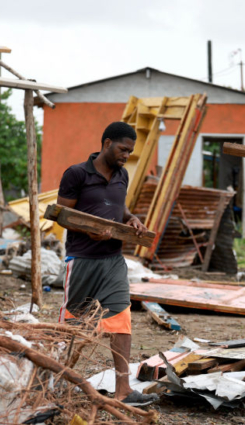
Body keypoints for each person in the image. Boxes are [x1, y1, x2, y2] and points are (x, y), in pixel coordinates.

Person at [57, 121, 158, 406]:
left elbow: (119, 206)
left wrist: (131, 218)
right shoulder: (77, 174)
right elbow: (61, 215)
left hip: (113, 260)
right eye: (123, 149)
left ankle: (123, 389)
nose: (127, 155)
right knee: (75, 326)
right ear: (106, 143)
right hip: (83, 259)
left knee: (122, 321)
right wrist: (87, 231)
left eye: (130, 151)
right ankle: (56, 380)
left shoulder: (122, 175)